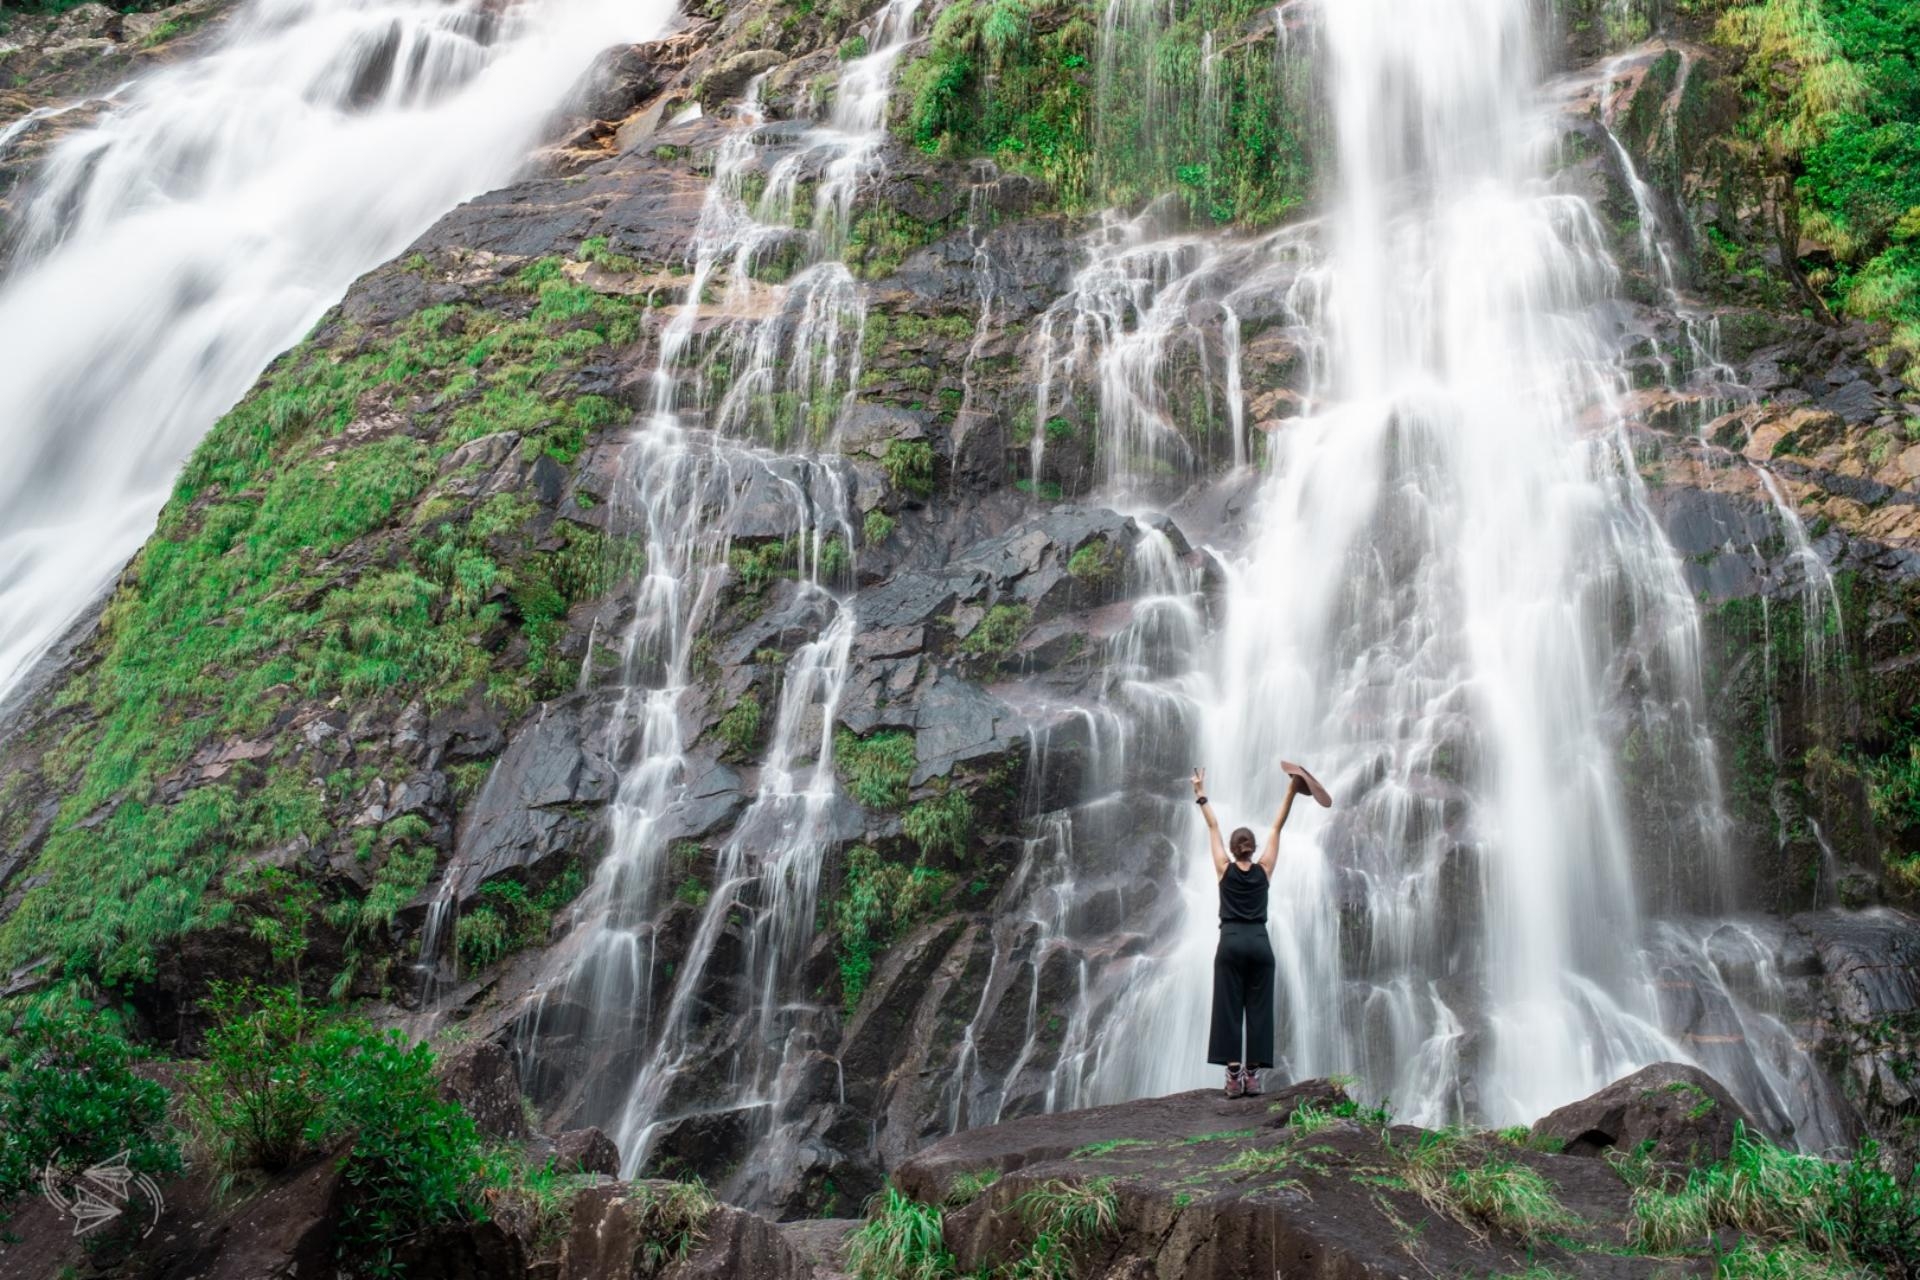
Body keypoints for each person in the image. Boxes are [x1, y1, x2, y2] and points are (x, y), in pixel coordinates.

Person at [1191, 766, 1307, 1099]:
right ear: (1253, 849)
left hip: (1230, 942)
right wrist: (1291, 790)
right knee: (1258, 1007)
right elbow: (1277, 826)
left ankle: (1232, 1077)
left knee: (1228, 1006)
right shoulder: (1265, 869)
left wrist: (1200, 792)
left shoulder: (1223, 869)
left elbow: (1212, 824)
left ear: (1231, 848)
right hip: (1259, 943)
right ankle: (1253, 1077)